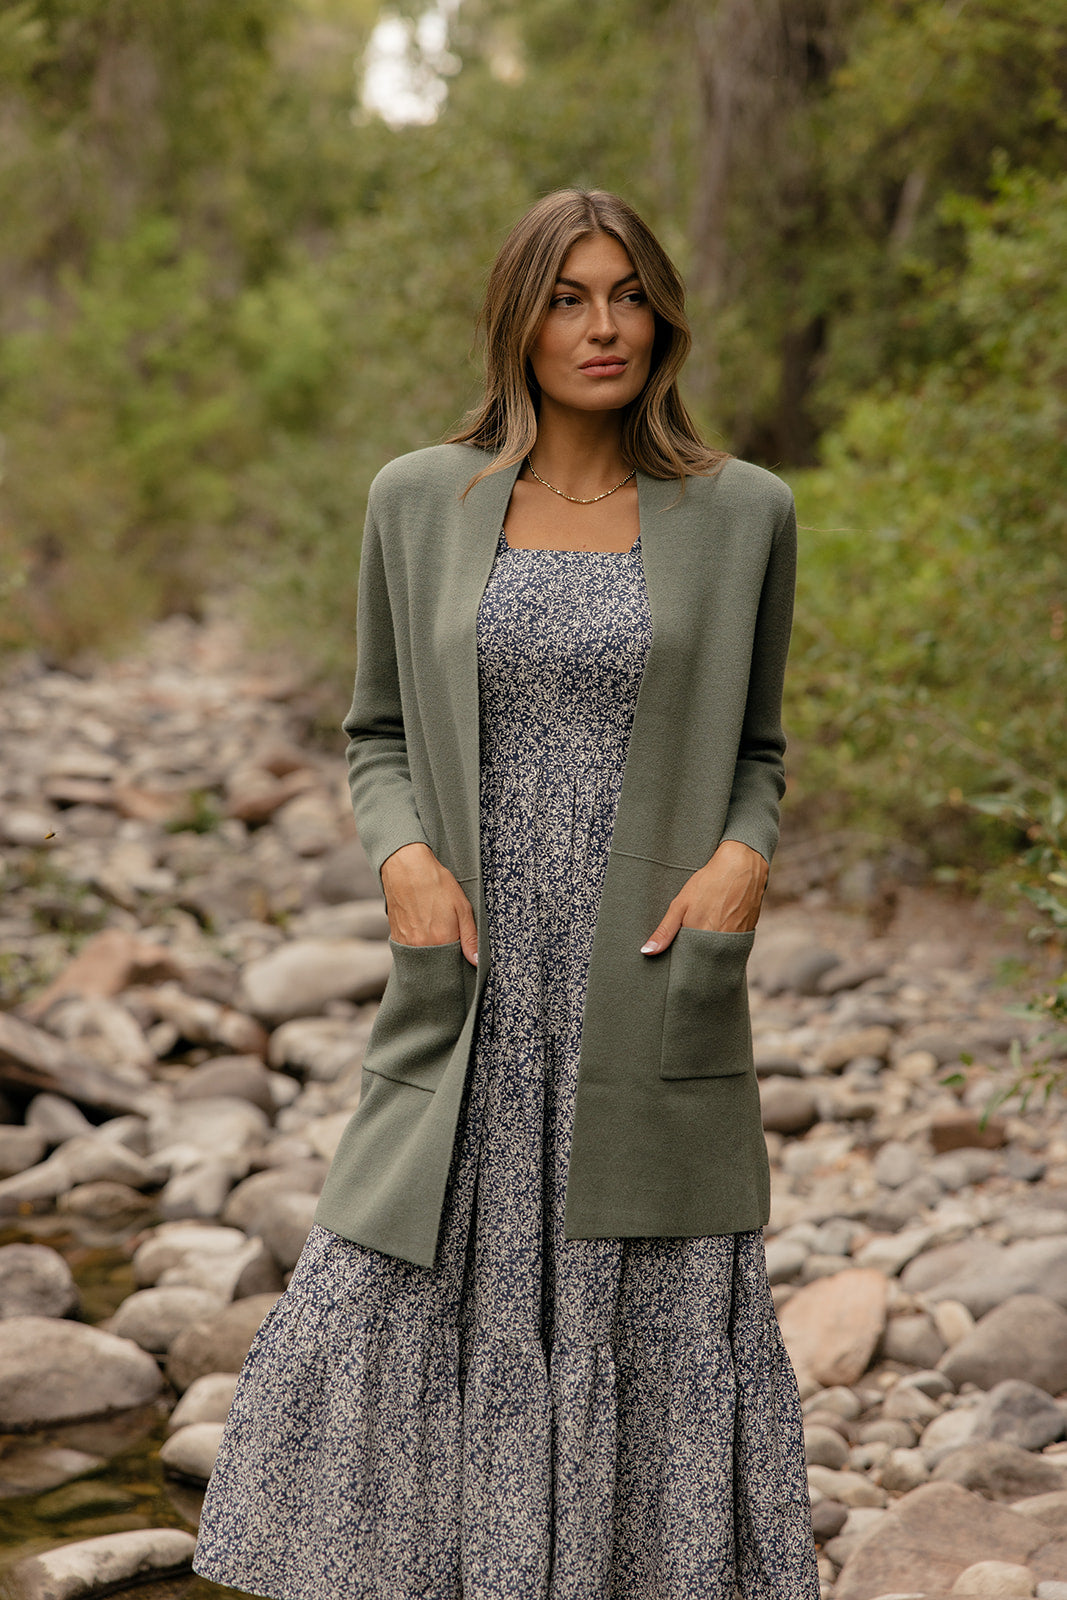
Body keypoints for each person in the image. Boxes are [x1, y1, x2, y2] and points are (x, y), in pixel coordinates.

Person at [193, 188, 820, 1599]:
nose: (601, 326)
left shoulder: (742, 514)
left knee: (645, 1280)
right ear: (516, 318)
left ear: (662, 311)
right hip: (475, 970)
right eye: (566, 296)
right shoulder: (420, 499)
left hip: (646, 967)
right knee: (384, 1264)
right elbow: (376, 735)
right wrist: (404, 858)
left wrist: (746, 854)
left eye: (627, 294)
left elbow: (760, 750)